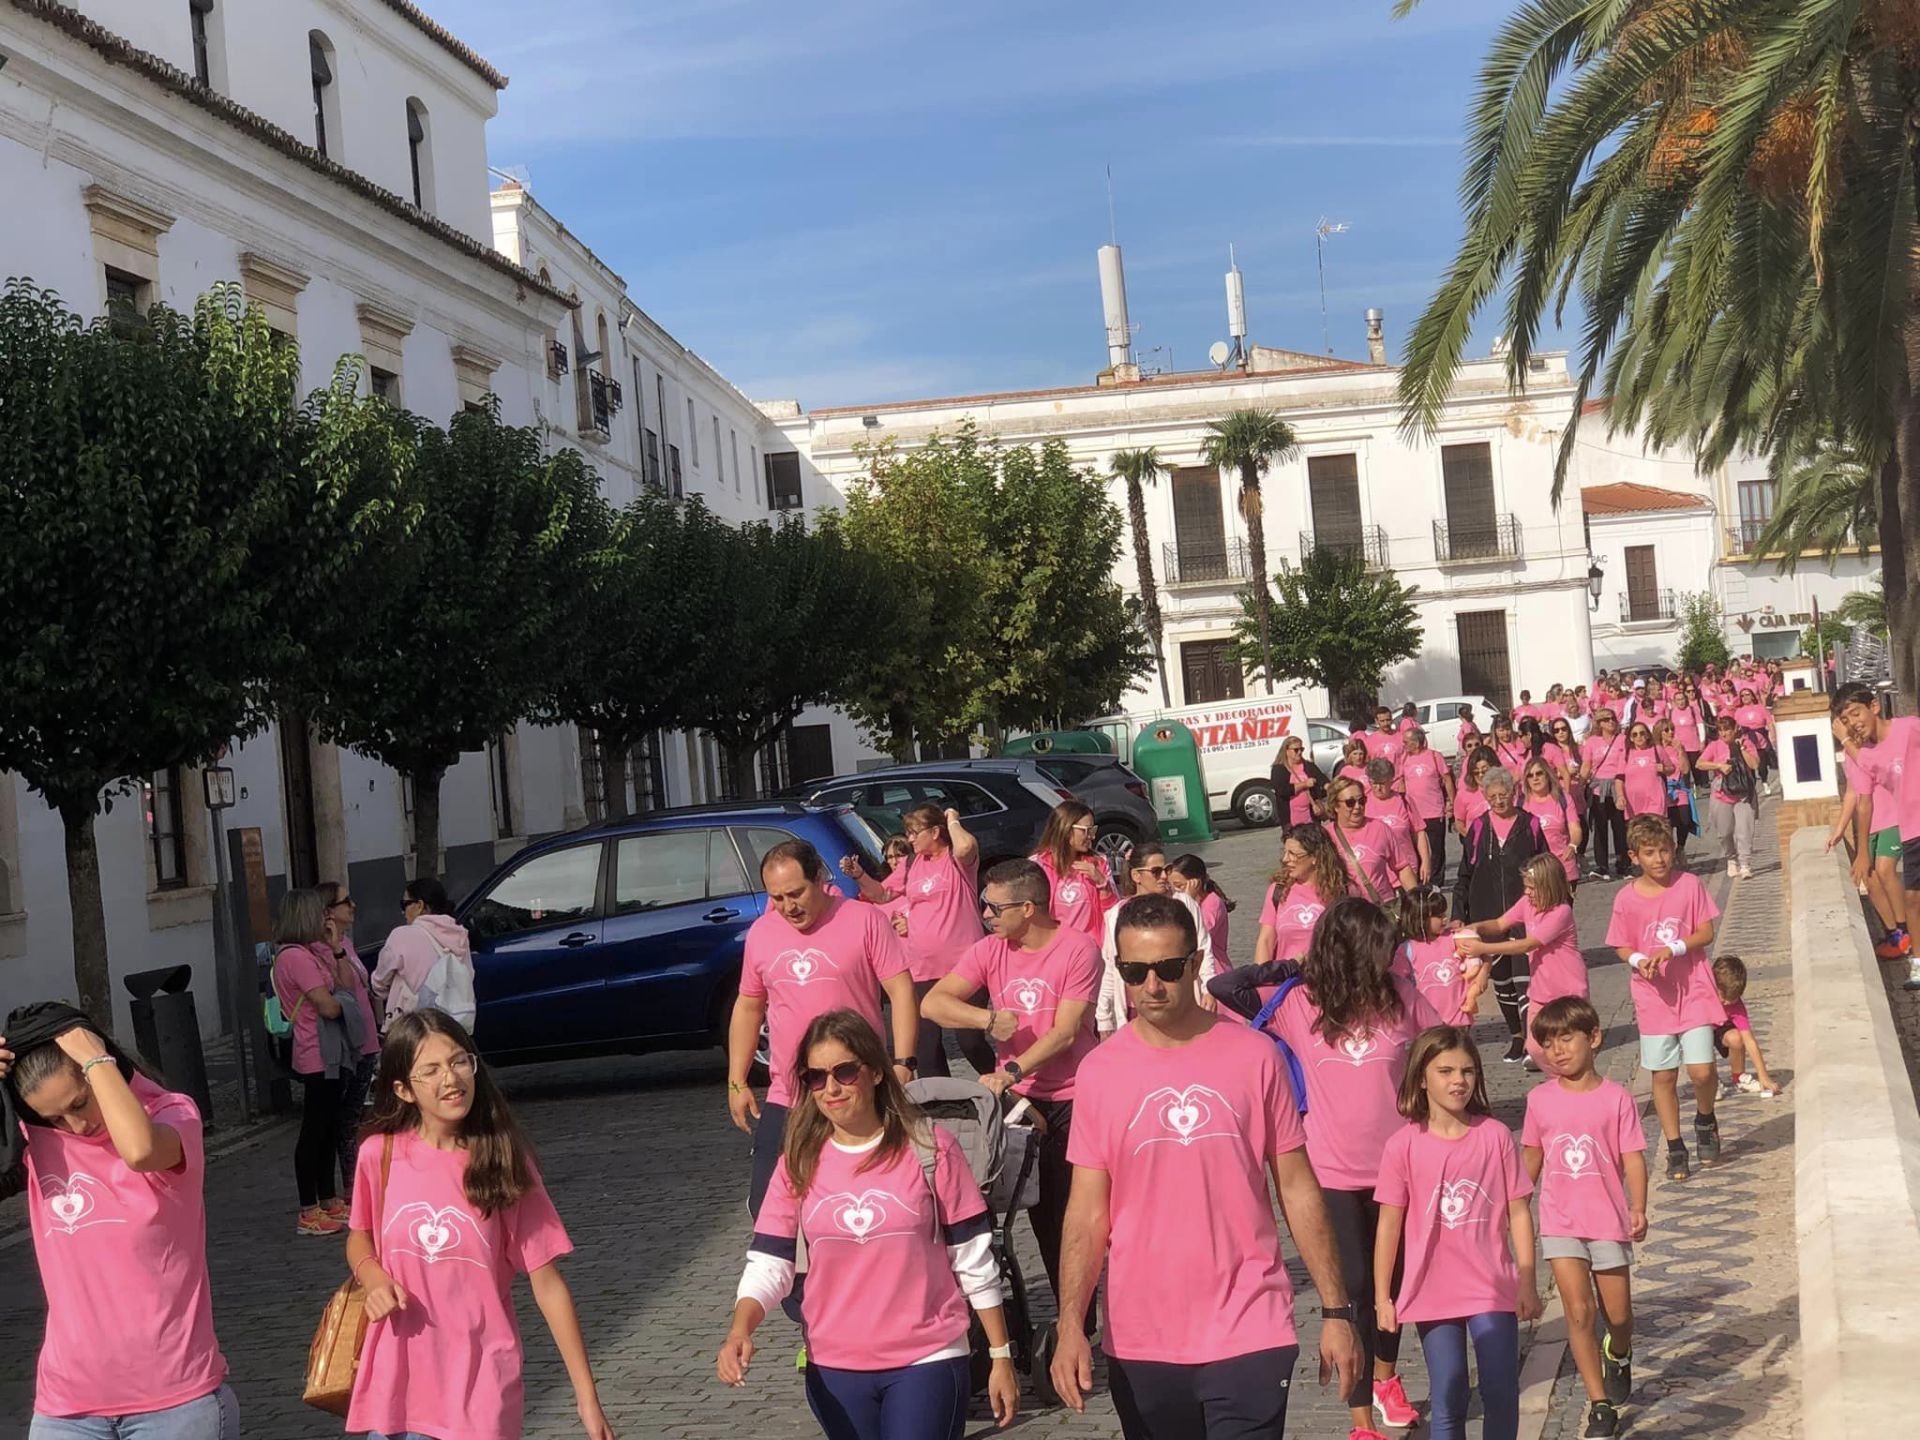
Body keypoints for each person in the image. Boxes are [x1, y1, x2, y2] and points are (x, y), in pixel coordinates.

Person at [1050, 895, 1362, 1438]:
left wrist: (1336, 1312)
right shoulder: (1099, 1073)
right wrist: (1070, 1325)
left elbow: (1297, 1188)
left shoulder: (1255, 1056)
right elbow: (1085, 1211)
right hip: (1141, 1335)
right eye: (1134, 971)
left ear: (1195, 962)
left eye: (1168, 969)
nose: (1152, 986)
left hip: (1250, 1327)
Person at [1210, 899, 1450, 1440]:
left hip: (1400, 1170)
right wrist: (1291, 968)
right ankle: (1361, 1418)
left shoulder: (1402, 998)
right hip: (1331, 1173)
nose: (1392, 956)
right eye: (1381, 948)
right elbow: (1223, 988)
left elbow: (1443, 1048)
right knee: (1358, 1291)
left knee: (1398, 1286)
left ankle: (1386, 1378)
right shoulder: (1299, 1002)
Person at [719, 1011, 1019, 1440]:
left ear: (876, 1071)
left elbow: (972, 1256)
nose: (832, 1088)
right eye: (816, 1077)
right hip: (834, 1367)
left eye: (844, 1071)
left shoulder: (931, 1148)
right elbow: (771, 1262)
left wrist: (1001, 1355)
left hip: (928, 1358)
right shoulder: (799, 1162)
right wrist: (739, 1329)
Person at [345, 1010, 613, 1440]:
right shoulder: (381, 1156)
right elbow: (360, 1237)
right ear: (403, 1089)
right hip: (398, 1389)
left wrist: (587, 1395)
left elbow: (548, 1284)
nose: (450, 1079)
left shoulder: (503, 1162)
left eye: (457, 1061)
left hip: (481, 1391)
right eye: (430, 1070)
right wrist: (373, 1278)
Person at [0, 1003, 237, 1440]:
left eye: (79, 1102)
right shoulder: (42, 1140)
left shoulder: (173, 1115)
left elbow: (141, 1152)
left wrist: (94, 1055)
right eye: (53, 1118)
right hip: (66, 1408)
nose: (75, 1125)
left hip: (174, 1405)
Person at [921, 858, 1101, 1305]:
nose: (985, 915)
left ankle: (1087, 1313)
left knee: (1073, 1212)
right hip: (1022, 1100)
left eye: (993, 908)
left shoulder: (1078, 949)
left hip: (1075, 1094)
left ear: (1028, 908)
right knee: (1037, 1210)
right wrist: (985, 1018)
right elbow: (934, 1004)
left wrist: (1012, 1070)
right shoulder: (990, 950)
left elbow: (1065, 1031)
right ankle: (1059, 1314)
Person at [730, 839, 919, 1217]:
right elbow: (749, 1007)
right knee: (768, 1209)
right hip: (791, 1094)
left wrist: (904, 1061)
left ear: (819, 878)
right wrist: (737, 1080)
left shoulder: (864, 920)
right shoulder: (762, 933)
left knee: (860, 1203)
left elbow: (900, 991)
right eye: (777, 897)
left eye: (796, 893)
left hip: (855, 1089)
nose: (788, 906)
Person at [1373, 1028, 1540, 1440]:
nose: (1457, 1081)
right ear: (1421, 1077)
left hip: (1492, 1285)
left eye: (1467, 1071)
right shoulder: (1402, 1146)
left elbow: (1518, 1211)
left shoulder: (1496, 1136)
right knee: (1449, 1393)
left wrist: (1527, 1279)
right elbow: (1389, 1226)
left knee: (1501, 1390)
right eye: (1445, 1070)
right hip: (1432, 1289)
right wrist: (1382, 1298)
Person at [1522, 997, 1646, 1440]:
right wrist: (1515, 1211)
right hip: (1560, 1221)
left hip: (1608, 1220)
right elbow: (1531, 1160)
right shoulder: (1539, 1100)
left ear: (1593, 1038)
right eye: (1548, 1043)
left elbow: (1633, 1158)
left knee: (1618, 1313)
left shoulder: (1617, 1100)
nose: (1557, 1051)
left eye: (1566, 1038)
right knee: (1578, 1311)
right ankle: (1599, 1405)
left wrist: (1638, 1206)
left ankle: (1621, 1349)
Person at [1605, 815, 1723, 1181]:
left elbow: (1705, 931)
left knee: (1701, 1070)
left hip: (1693, 988)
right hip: (1653, 996)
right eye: (1650, 853)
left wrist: (1673, 948)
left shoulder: (1689, 886)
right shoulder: (1626, 898)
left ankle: (1705, 1117)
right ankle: (1675, 1145)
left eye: (1665, 851)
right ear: (1635, 856)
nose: (1659, 860)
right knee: (1664, 1074)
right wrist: (1640, 960)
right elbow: (1622, 944)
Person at [844, 804, 984, 1077]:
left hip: (965, 965)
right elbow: (883, 894)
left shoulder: (956, 858)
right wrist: (860, 876)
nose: (910, 839)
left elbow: (967, 847)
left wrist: (952, 819)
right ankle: (942, 1106)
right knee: (927, 1047)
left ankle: (1008, 1090)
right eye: (907, 832)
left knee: (970, 1041)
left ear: (935, 832)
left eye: (915, 832)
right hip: (922, 968)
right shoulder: (911, 864)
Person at [272, 886, 375, 1236]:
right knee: (314, 1131)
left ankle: (329, 1199)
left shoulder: (312, 953)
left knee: (329, 1127)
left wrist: (335, 950)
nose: (325, 918)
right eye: (320, 913)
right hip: (316, 1052)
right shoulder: (294, 958)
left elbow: (346, 986)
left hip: (332, 1050)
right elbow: (329, 1005)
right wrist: (340, 1001)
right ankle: (308, 1207)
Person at [1452, 767, 1548, 1062]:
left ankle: (1534, 1038)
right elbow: (1464, 874)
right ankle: (1516, 1037)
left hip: (1524, 912)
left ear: (1513, 793)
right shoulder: (1479, 827)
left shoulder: (1529, 823)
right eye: (1492, 796)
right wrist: (1459, 913)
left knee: (1525, 977)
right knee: (1502, 980)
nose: (1498, 801)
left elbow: (1545, 865)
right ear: (1485, 797)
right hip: (1487, 912)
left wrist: (1548, 902)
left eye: (1503, 795)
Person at [1457, 855, 1588, 1071]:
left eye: (1532, 888)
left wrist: (1484, 949)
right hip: (1541, 990)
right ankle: (1557, 1080)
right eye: (1526, 887)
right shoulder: (1528, 903)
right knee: (1535, 1048)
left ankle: (1571, 1087)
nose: (1527, 892)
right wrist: (1476, 928)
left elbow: (1526, 945)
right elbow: (1500, 924)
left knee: (1571, 1050)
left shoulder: (1560, 912)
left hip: (1568, 990)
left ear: (1548, 886)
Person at [1833, 681, 1920, 972]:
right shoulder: (1864, 755)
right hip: (1909, 829)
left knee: (1886, 872)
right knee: (1904, 893)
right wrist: (1853, 844)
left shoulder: (1908, 729)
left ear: (1874, 706)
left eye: (1856, 714)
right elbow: (1861, 799)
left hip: (1897, 822)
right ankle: (1902, 938)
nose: (1853, 724)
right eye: (1846, 721)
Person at [1095, 841, 1219, 1035]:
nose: (1164, 877)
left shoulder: (1183, 903)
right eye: (1156, 871)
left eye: (1167, 870)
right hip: (1134, 1006)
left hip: (1179, 999)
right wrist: (1104, 1020)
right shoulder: (1116, 915)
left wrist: (1209, 988)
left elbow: (1203, 948)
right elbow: (1110, 967)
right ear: (1136, 875)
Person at [318, 880, 382, 1201]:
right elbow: (343, 987)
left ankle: (359, 1182)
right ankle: (351, 1187)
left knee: (357, 1113)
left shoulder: (348, 943)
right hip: (350, 1045)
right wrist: (336, 949)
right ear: (328, 912)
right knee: (346, 1117)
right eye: (346, 902)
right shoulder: (328, 948)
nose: (353, 906)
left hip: (368, 1039)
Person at [372, 876, 476, 1034]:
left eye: (404, 904)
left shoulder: (402, 935)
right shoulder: (459, 934)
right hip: (454, 1023)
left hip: (414, 1026)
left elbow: (379, 983)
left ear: (420, 905)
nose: (402, 911)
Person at [1254, 825, 1351, 970]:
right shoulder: (1278, 890)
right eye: (1285, 852)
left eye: (1293, 854)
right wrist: (1261, 979)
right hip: (1286, 982)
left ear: (1315, 857)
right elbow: (1266, 941)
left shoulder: (1343, 891)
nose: (1285, 859)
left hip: (1328, 982)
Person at [1392, 889, 1490, 1027]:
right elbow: (1395, 981)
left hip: (1460, 1019)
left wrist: (1483, 973)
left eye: (1444, 913)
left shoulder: (1453, 938)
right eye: (1438, 915)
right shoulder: (1407, 949)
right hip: (1425, 1024)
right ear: (1420, 918)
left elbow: (1484, 955)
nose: (1444, 918)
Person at [1030, 801, 1118, 941]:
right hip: (1054, 949)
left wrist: (1102, 883)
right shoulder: (1038, 866)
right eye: (1085, 831)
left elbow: (1113, 913)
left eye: (1093, 830)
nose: (1092, 836)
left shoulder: (1099, 862)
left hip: (1092, 948)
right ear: (1065, 829)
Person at [1326, 775, 1418, 905]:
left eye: (1361, 801)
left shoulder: (1380, 828)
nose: (1357, 807)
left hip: (1380, 910)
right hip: (1345, 914)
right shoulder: (1326, 836)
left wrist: (1418, 904)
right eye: (1350, 803)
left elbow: (1402, 867)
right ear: (1335, 805)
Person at [1696, 713, 1762, 879]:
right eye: (1720, 730)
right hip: (1721, 794)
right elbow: (1699, 763)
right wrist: (1718, 765)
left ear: (1735, 729)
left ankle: (1745, 863)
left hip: (1743, 794)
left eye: (1727, 730)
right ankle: (1731, 858)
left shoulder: (1746, 743)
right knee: (1724, 832)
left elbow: (1754, 764)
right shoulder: (1715, 746)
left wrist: (1741, 749)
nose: (1724, 734)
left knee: (1744, 830)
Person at [1711, 956, 1780, 1097]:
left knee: (1737, 1038)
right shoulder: (1703, 996)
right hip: (1700, 1028)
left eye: (1731, 1000)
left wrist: (1763, 1076)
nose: (1724, 1002)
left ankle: (1739, 1078)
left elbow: (1749, 1041)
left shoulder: (1736, 1006)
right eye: (1722, 997)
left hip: (1720, 1029)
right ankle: (1711, 1082)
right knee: (1702, 1041)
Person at [1578, 708, 1630, 880]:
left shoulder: (1622, 739)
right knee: (1600, 828)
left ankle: (1623, 863)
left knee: (1620, 826)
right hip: (1598, 787)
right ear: (1599, 723)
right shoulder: (1592, 742)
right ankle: (1602, 866)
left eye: (1613, 718)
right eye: (1606, 719)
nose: (1611, 722)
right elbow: (1586, 765)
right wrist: (1581, 782)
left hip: (1618, 786)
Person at [1400, 728, 1454, 888]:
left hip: (1434, 811)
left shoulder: (1434, 756)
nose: (1404, 745)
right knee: (1416, 851)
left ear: (1416, 742)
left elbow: (1447, 780)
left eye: (1406, 742)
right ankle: (1420, 881)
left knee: (1436, 850)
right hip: (1414, 814)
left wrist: (1452, 803)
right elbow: (1401, 782)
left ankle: (1436, 883)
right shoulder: (1404, 759)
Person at [1364, 758, 1430, 888]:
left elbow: (1419, 832)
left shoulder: (1404, 801)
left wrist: (1426, 861)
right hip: (1378, 877)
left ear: (1391, 781)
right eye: (1374, 783)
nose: (1378, 788)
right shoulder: (1364, 802)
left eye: (1382, 783)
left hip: (1407, 871)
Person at [1520, 756, 1582, 891]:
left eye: (1539, 773)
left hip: (1563, 866)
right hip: (1535, 870)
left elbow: (1575, 829)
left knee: (1562, 911)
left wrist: (1573, 845)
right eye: (1530, 775)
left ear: (1547, 775)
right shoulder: (1521, 803)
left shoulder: (1563, 798)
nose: (1535, 778)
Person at [1169, 853, 1234, 962]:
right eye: (1171, 886)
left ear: (1195, 883)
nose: (1175, 891)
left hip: (1214, 966)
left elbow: (1197, 935)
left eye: (1179, 886)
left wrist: (1189, 900)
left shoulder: (1212, 903)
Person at [1652, 718, 1697, 865]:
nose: (1670, 732)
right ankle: (1669, 853)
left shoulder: (1677, 747)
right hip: (1663, 790)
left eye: (1672, 729)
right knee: (1667, 825)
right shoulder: (1655, 750)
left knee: (1684, 820)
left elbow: (1685, 769)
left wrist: (1680, 750)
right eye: (1666, 730)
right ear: (1659, 732)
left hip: (1679, 788)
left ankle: (1681, 847)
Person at [1617, 721, 1671, 830]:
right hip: (1634, 802)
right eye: (1635, 734)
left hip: (1655, 799)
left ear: (1647, 735)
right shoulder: (1626, 754)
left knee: (1655, 832)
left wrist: (1664, 769)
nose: (1639, 737)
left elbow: (1671, 768)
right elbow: (1619, 778)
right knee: (1638, 836)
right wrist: (1620, 796)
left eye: (1642, 733)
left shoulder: (1657, 750)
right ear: (1631, 738)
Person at [1273, 734, 1329, 828]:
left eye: (1301, 749)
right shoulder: (1279, 769)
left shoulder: (1308, 766)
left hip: (1311, 817)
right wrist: (1304, 784)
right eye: (1296, 750)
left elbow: (1322, 779)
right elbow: (1282, 790)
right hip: (1291, 819)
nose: (1299, 752)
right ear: (1286, 751)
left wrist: (1330, 787)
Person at [1453, 747, 1496, 840]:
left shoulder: (1506, 788)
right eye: (1476, 772)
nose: (1480, 775)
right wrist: (1473, 841)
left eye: (1484, 771)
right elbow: (1459, 823)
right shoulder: (1463, 794)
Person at [1361, 705, 1406, 772]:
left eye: (1388, 720)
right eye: (1382, 721)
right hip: (1378, 780)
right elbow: (1366, 763)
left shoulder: (1402, 737)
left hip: (1398, 780)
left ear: (1391, 719)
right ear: (1376, 721)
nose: (1386, 723)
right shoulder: (1369, 741)